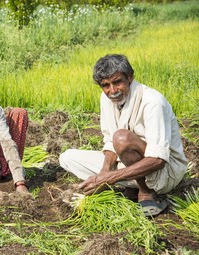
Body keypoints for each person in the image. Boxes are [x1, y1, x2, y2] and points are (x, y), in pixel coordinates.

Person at [59, 54, 187, 216]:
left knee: (122, 138)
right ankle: (128, 183)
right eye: (105, 85)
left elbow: (158, 159)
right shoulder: (107, 99)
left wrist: (109, 179)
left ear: (130, 77)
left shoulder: (153, 102)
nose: (112, 91)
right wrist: (105, 172)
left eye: (117, 82)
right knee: (67, 157)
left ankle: (146, 193)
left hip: (162, 174)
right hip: (129, 164)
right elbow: (110, 143)